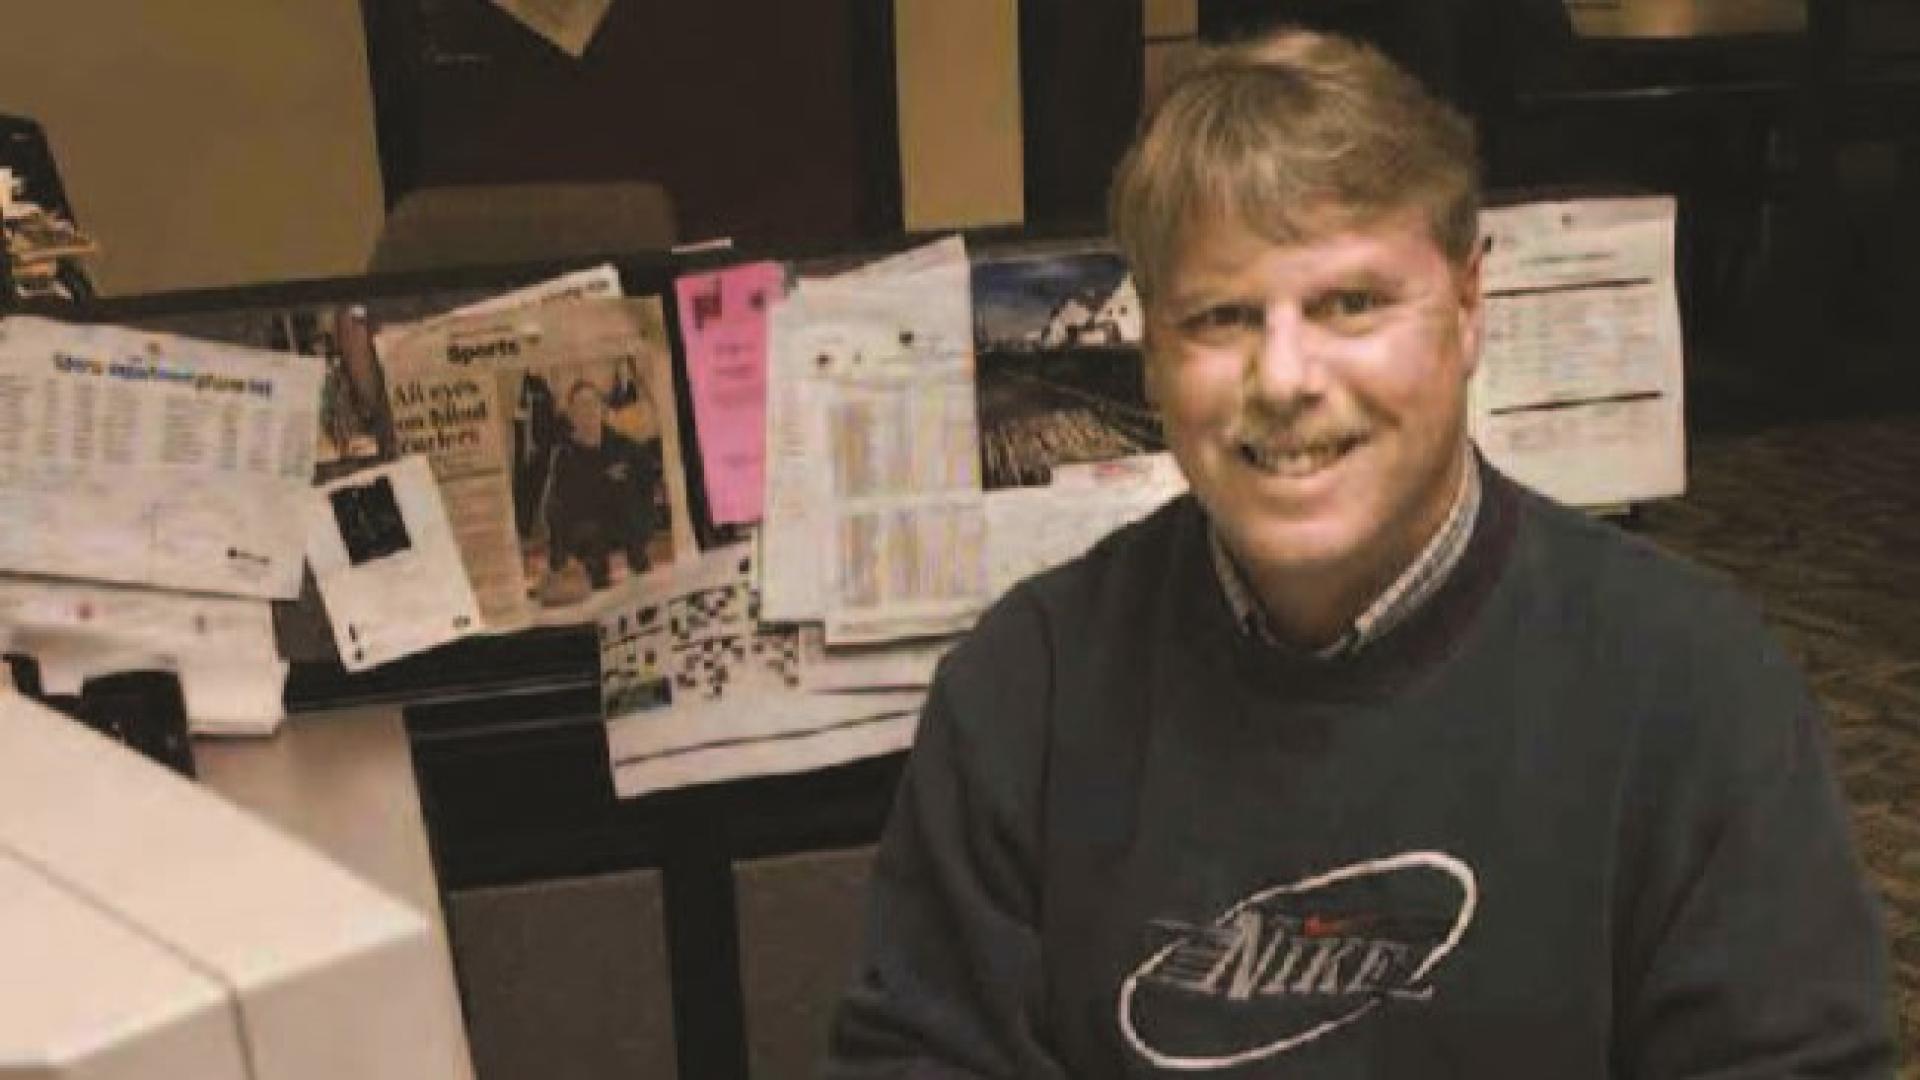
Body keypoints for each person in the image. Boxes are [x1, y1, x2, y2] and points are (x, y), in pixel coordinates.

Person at [824, 28, 1893, 1078]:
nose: (1284, 377)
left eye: (1351, 303)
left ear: (1470, 308)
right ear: (1150, 352)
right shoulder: (1028, 689)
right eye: (1221, 316)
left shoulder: (1697, 688)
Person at [544, 379, 661, 592]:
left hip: (627, 538)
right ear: (571, 415)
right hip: (589, 543)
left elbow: (647, 485)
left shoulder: (625, 447)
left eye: (592, 403)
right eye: (581, 406)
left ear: (602, 408)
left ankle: (638, 569)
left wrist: (646, 526)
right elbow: (555, 511)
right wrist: (558, 563)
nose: (588, 411)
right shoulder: (564, 458)